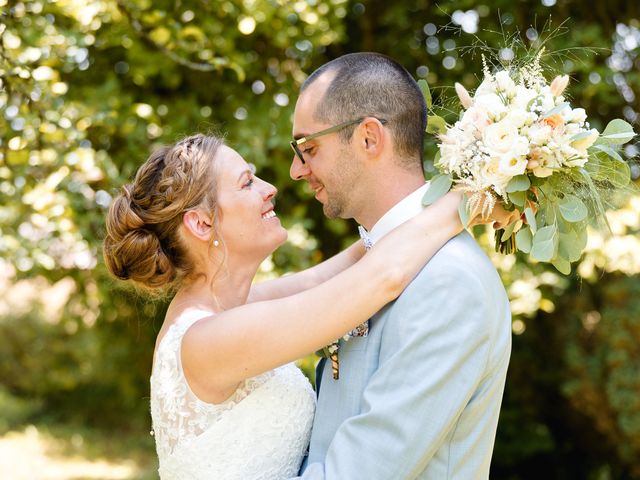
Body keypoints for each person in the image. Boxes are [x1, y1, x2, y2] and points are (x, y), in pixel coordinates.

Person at [102, 133, 467, 479]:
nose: (269, 188)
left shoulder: (226, 309)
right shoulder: (208, 339)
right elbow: (381, 277)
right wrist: (474, 200)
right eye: (247, 183)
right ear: (201, 223)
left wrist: (472, 170)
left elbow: (339, 269)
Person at [289, 52, 512, 479]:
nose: (297, 170)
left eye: (309, 148)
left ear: (369, 138)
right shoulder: (374, 258)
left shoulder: (448, 283)